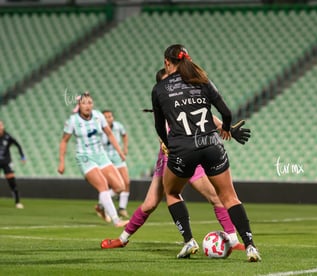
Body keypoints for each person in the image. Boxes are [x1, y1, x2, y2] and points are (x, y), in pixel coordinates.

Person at [101, 68, 250, 251]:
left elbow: (207, 115)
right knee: (150, 204)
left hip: (189, 151)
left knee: (215, 197)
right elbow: (161, 131)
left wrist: (228, 129)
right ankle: (123, 239)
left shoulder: (181, 96)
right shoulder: (163, 101)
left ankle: (231, 242)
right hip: (171, 156)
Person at [152, 44, 261, 261]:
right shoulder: (202, 81)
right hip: (212, 145)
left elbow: (158, 126)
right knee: (229, 197)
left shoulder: (160, 89)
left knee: (172, 192)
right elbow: (227, 113)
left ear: (167, 62)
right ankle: (250, 246)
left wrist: (170, 145)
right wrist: (227, 129)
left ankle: (189, 241)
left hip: (182, 149)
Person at [57, 92, 129, 227]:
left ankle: (101, 206)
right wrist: (61, 161)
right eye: (84, 103)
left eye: (90, 102)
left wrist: (120, 152)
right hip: (85, 157)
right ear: (79, 105)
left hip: (101, 155)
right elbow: (64, 141)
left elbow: (109, 134)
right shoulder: (73, 121)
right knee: (103, 185)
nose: (87, 105)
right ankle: (116, 220)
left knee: (120, 186)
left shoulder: (98, 116)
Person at [95, 110, 130, 219]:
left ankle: (122, 208)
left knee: (126, 182)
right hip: (105, 158)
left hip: (117, 156)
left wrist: (125, 147)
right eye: (106, 117)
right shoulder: (98, 129)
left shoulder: (118, 126)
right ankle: (102, 205)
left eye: (110, 116)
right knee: (109, 184)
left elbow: (124, 135)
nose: (108, 119)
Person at [0, 120, 25, 209]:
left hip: (6, 162)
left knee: (12, 182)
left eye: (0, 125)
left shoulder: (7, 136)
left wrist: (22, 157)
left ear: (3, 126)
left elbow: (18, 145)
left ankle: (17, 202)